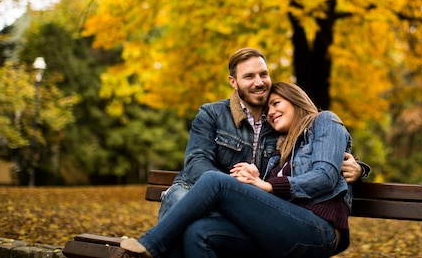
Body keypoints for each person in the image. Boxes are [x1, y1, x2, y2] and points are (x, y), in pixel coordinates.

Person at [114, 81, 353, 258]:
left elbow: (325, 176)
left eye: (276, 103)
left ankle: (152, 244)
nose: (270, 112)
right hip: (283, 230)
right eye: (268, 110)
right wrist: (255, 178)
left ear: (297, 101)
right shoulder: (280, 151)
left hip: (318, 231)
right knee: (199, 232)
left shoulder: (324, 121)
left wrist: (268, 186)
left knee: (214, 181)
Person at [157, 48, 367, 220]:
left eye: (263, 74)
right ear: (233, 81)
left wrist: (358, 170)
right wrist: (234, 189)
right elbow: (196, 162)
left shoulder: (281, 122)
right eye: (249, 76)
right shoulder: (212, 114)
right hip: (194, 189)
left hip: (252, 204)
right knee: (184, 209)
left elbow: (317, 156)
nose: (259, 82)